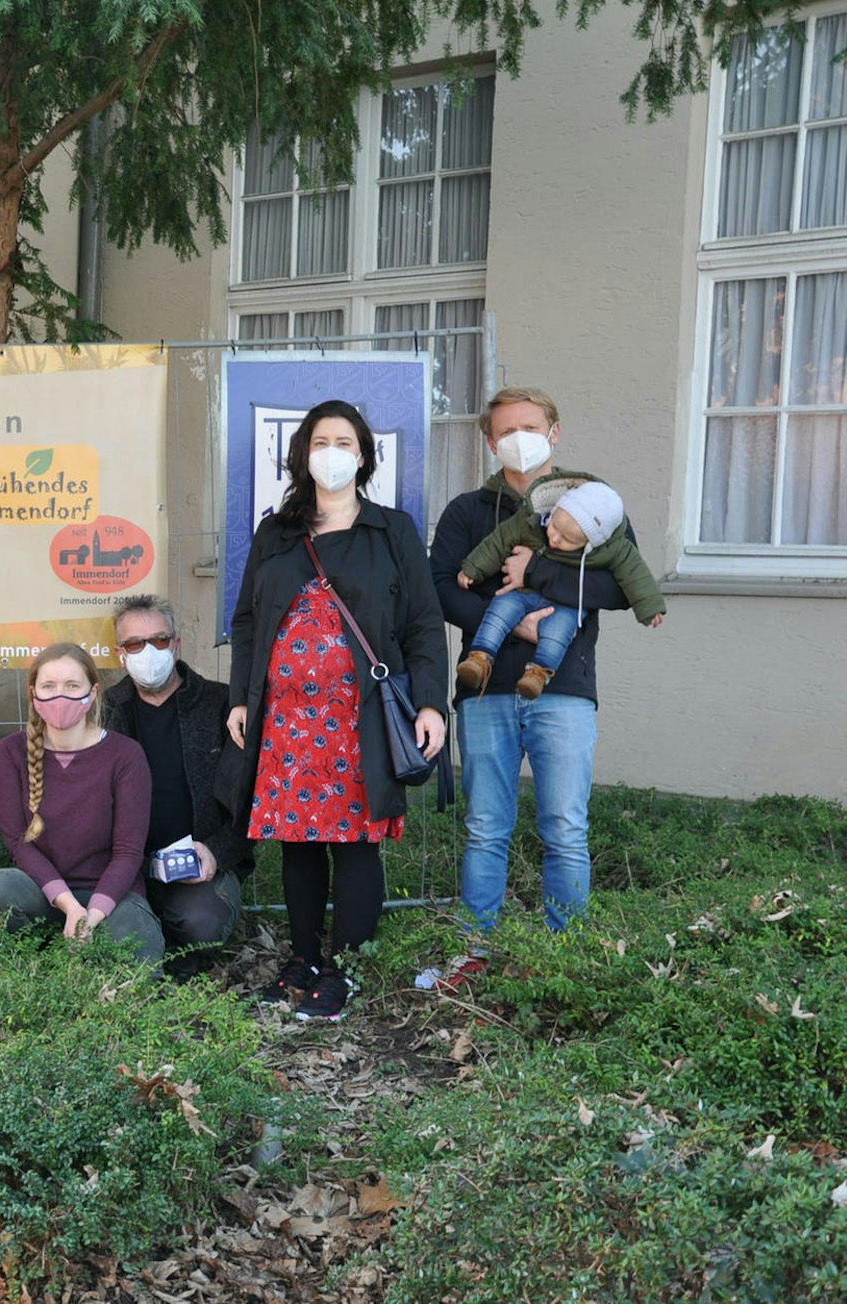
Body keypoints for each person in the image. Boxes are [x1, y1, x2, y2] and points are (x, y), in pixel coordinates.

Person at [220, 399, 447, 1022]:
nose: (333, 451)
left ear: (364, 455)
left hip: (360, 716)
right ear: (301, 454)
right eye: (321, 440)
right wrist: (241, 696)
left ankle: (344, 969)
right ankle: (303, 959)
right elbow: (246, 622)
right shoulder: (276, 533)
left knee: (353, 845)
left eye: (345, 441)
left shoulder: (392, 530)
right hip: (288, 718)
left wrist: (431, 702)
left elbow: (425, 623)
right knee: (297, 843)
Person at [428, 386, 638, 988]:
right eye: (505, 431)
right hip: (487, 688)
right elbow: (441, 586)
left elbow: (624, 584)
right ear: (489, 442)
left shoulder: (595, 503)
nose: (518, 439)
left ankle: (564, 955)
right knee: (485, 824)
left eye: (530, 427)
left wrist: (539, 580)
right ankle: (475, 951)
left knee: (566, 828)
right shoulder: (468, 510)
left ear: (554, 433)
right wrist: (507, 620)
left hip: (564, 688)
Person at [0, 643, 162, 963]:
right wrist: (71, 907)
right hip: (42, 893)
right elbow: (19, 844)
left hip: (111, 896)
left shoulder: (126, 755)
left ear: (93, 692)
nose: (60, 696)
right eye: (49, 686)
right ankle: (43, 952)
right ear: (34, 693)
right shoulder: (11, 752)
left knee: (137, 937)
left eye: (72, 686)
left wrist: (90, 916)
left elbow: (128, 852)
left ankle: (97, 963)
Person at [103, 596, 246, 980]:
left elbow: (249, 799)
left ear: (177, 644)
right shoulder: (105, 711)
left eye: (159, 640)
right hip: (125, 867)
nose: (148, 652)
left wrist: (217, 852)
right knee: (117, 927)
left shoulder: (222, 704)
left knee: (199, 922)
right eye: (134, 644)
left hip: (199, 867)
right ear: (120, 654)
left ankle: (175, 947)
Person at [455, 477, 666, 698]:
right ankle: (479, 658)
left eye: (566, 539)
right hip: (523, 593)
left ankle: (538, 674)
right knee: (500, 609)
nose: (554, 538)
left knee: (559, 632)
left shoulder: (614, 548)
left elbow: (635, 573)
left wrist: (650, 606)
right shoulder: (533, 521)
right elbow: (498, 542)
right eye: (554, 525)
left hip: (567, 603)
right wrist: (473, 568)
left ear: (590, 544)